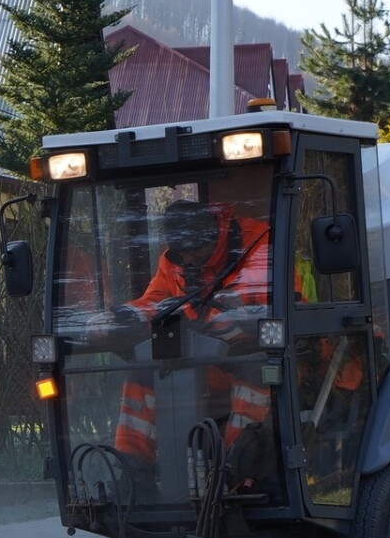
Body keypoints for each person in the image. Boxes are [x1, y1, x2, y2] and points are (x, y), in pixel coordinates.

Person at [107, 199, 272, 469]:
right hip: (206, 361)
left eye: (196, 251)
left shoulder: (257, 245)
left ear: (214, 235)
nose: (189, 259)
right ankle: (132, 473)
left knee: (256, 370)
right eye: (182, 253)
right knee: (142, 373)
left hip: (259, 355)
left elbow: (270, 308)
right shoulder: (176, 259)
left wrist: (226, 313)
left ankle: (236, 471)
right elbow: (155, 302)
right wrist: (122, 316)